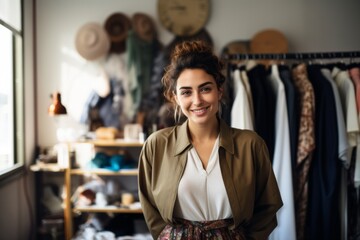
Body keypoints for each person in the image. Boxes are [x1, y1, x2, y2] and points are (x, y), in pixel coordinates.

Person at [138, 40, 283, 240]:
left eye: (205, 89)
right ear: (175, 97)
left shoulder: (250, 144)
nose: (197, 100)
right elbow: (149, 206)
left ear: (219, 91)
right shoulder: (156, 145)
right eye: (186, 92)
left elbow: (268, 207)